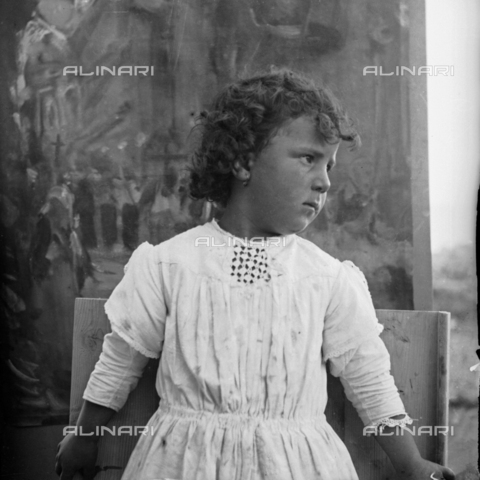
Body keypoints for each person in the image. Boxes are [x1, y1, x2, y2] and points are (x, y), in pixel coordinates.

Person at [55, 70, 455, 480]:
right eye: (308, 158)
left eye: (329, 165)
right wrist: (84, 437)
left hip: (296, 465)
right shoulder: (169, 264)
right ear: (244, 162)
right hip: (183, 463)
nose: (325, 182)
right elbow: (122, 359)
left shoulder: (327, 279)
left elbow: (368, 379)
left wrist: (411, 464)